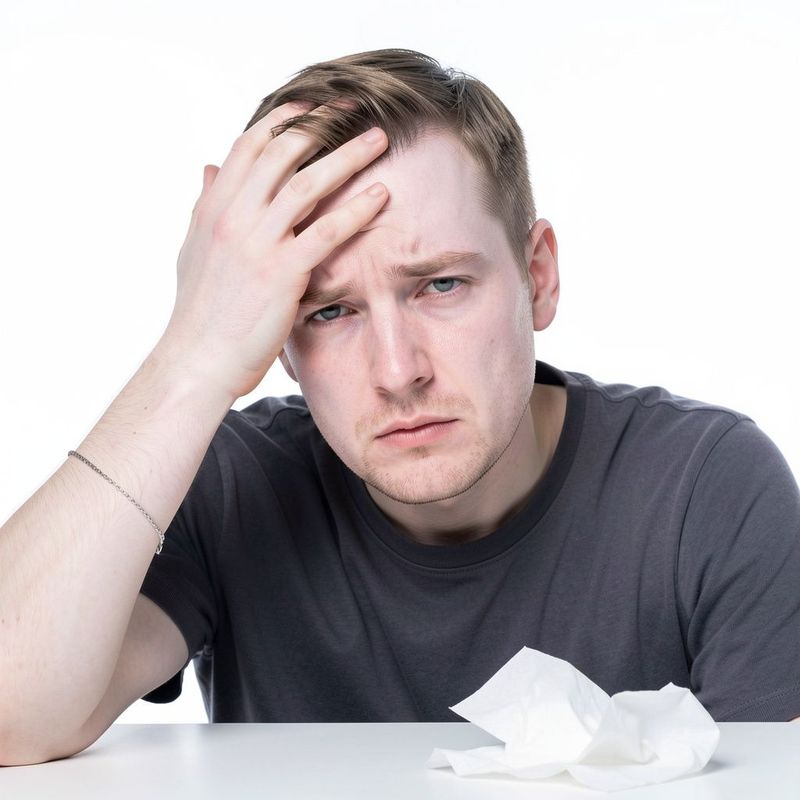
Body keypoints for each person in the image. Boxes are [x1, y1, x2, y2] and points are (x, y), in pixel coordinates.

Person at [1, 49, 798, 766]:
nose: (396, 372)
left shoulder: (705, 490)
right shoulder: (233, 488)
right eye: (329, 311)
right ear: (279, 339)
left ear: (538, 276)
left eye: (441, 285)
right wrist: (191, 355)